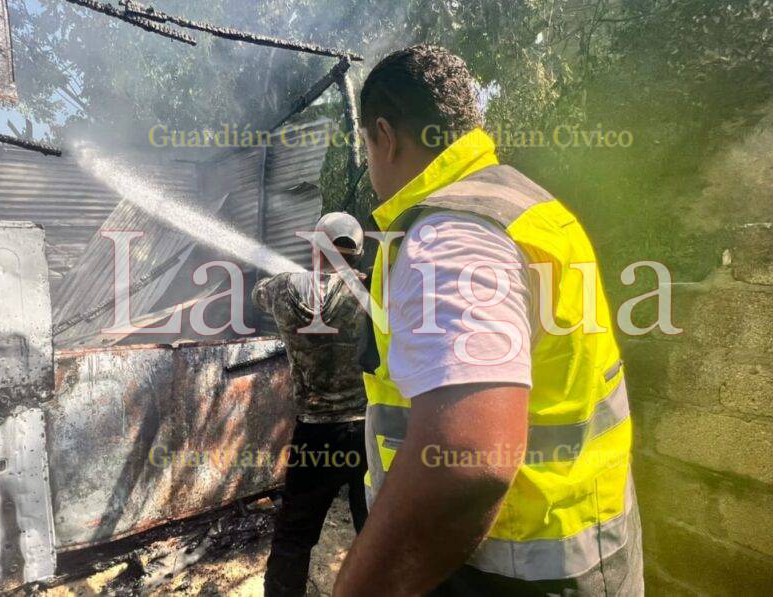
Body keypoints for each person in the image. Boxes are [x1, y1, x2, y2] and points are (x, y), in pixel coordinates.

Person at [334, 45, 643, 596]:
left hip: (504, 574)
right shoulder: (523, 206)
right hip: (584, 550)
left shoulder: (450, 235)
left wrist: (358, 588)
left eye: (366, 145)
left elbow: (469, 457)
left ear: (384, 136)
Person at [253, 212, 369, 597]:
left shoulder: (282, 287)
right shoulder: (372, 291)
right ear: (357, 251)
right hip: (368, 430)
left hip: (316, 434)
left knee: (294, 535)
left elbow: (257, 295)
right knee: (374, 528)